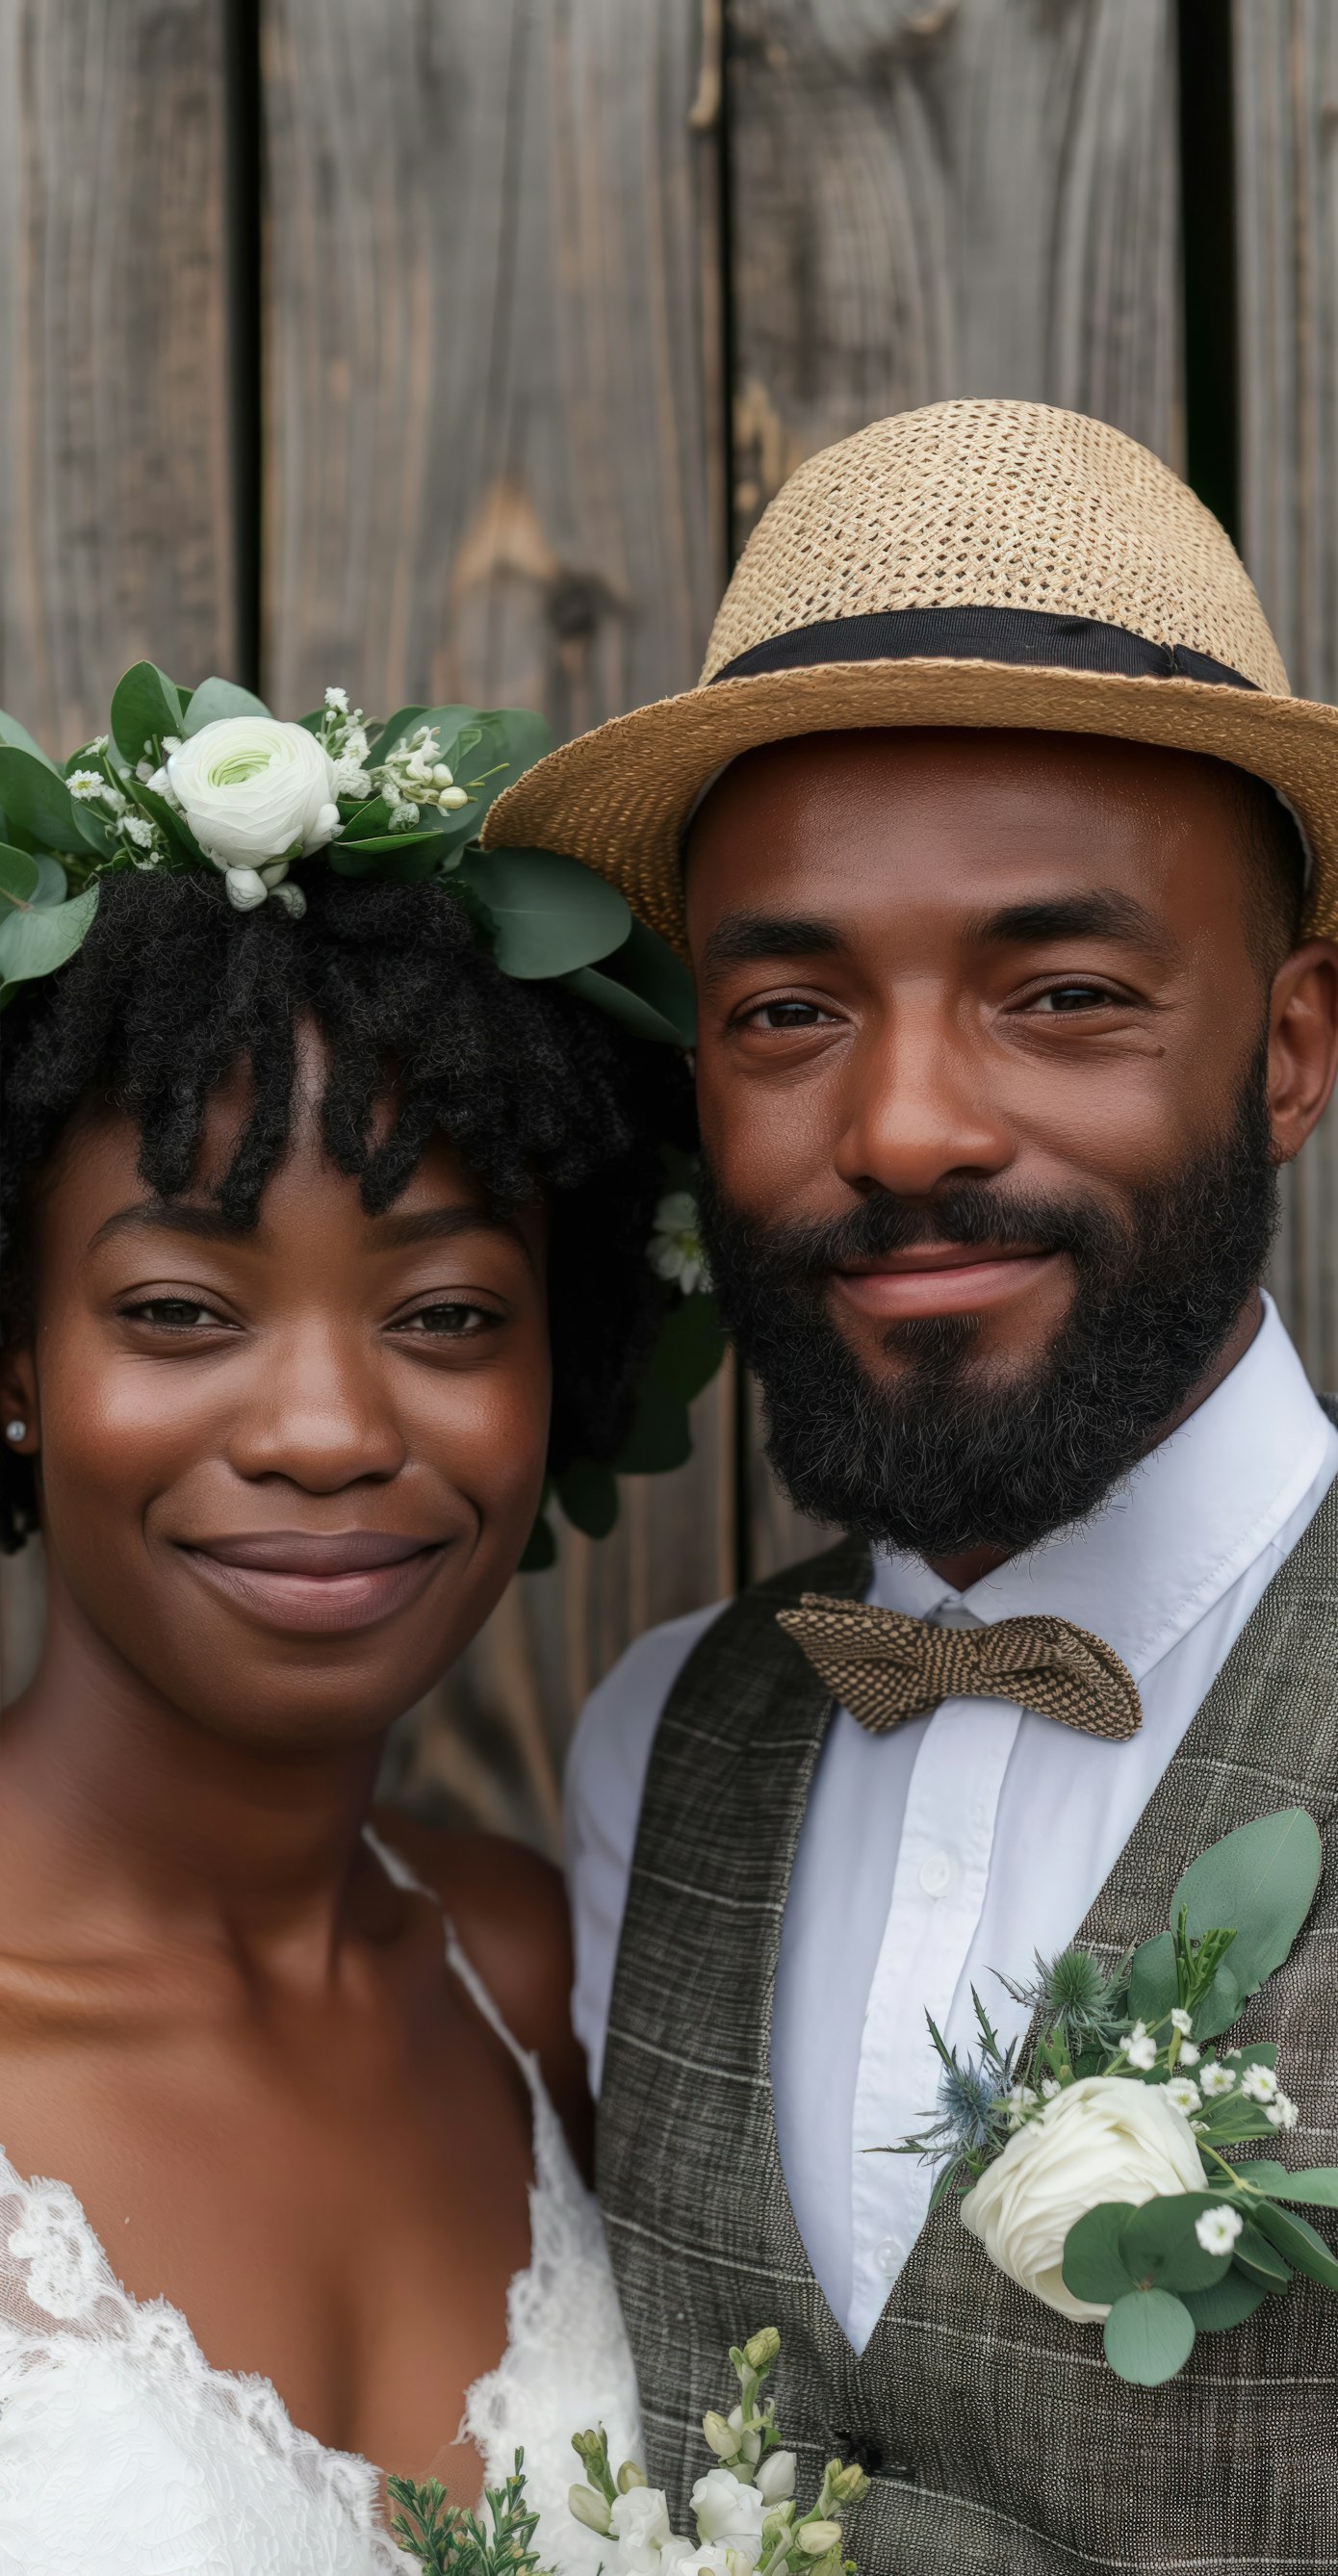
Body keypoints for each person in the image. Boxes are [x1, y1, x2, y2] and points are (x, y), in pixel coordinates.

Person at [488, 400, 1338, 2566]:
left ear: (1287, 1050)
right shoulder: (667, 1742)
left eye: (1063, 991)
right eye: (792, 1010)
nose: (906, 1123)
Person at [0, 695, 702, 2572]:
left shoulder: (532, 1981)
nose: (326, 1429)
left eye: (450, 1317)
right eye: (178, 1310)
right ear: (18, 1367)